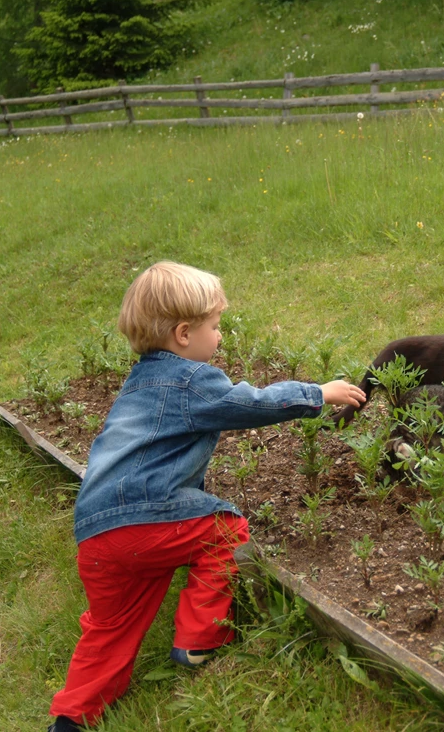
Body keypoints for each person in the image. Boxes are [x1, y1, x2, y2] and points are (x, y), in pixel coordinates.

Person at [47, 261, 365, 731]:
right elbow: (248, 404)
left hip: (96, 534)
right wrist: (317, 392)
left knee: (109, 626)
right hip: (145, 521)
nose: (219, 337)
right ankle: (198, 638)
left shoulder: (136, 385)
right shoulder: (190, 380)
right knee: (225, 530)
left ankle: (72, 717)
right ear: (182, 334)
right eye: (214, 327)